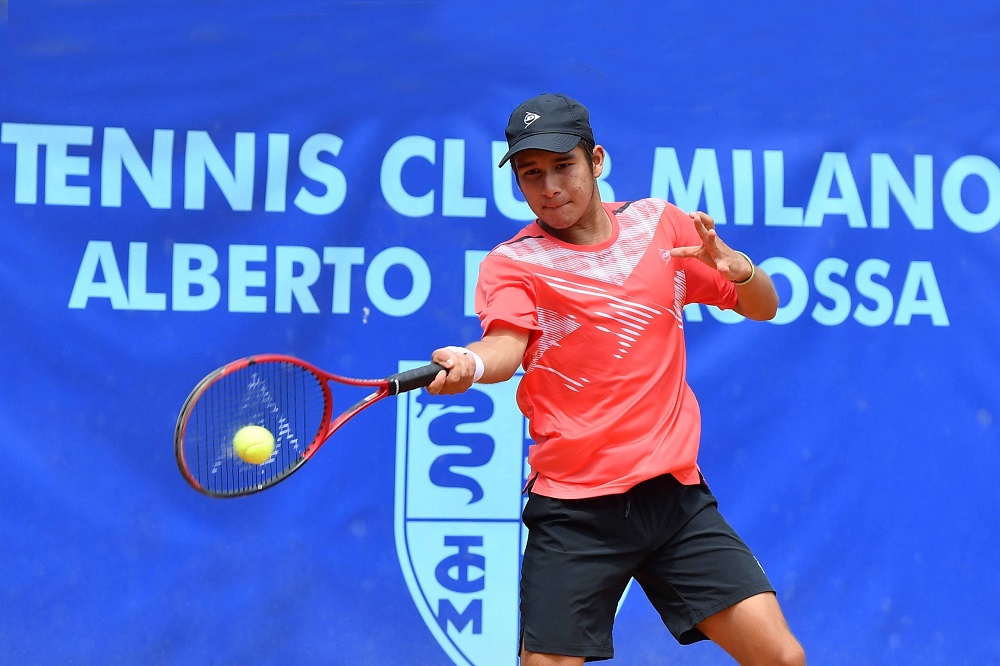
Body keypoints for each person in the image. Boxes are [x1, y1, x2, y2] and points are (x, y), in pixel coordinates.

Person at [427, 93, 805, 666]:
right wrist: (472, 364)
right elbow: (504, 347)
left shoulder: (662, 226)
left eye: (564, 166)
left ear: (596, 160)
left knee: (781, 658)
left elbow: (765, 306)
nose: (550, 186)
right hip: (577, 510)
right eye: (532, 175)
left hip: (672, 498)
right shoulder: (513, 263)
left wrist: (742, 270)